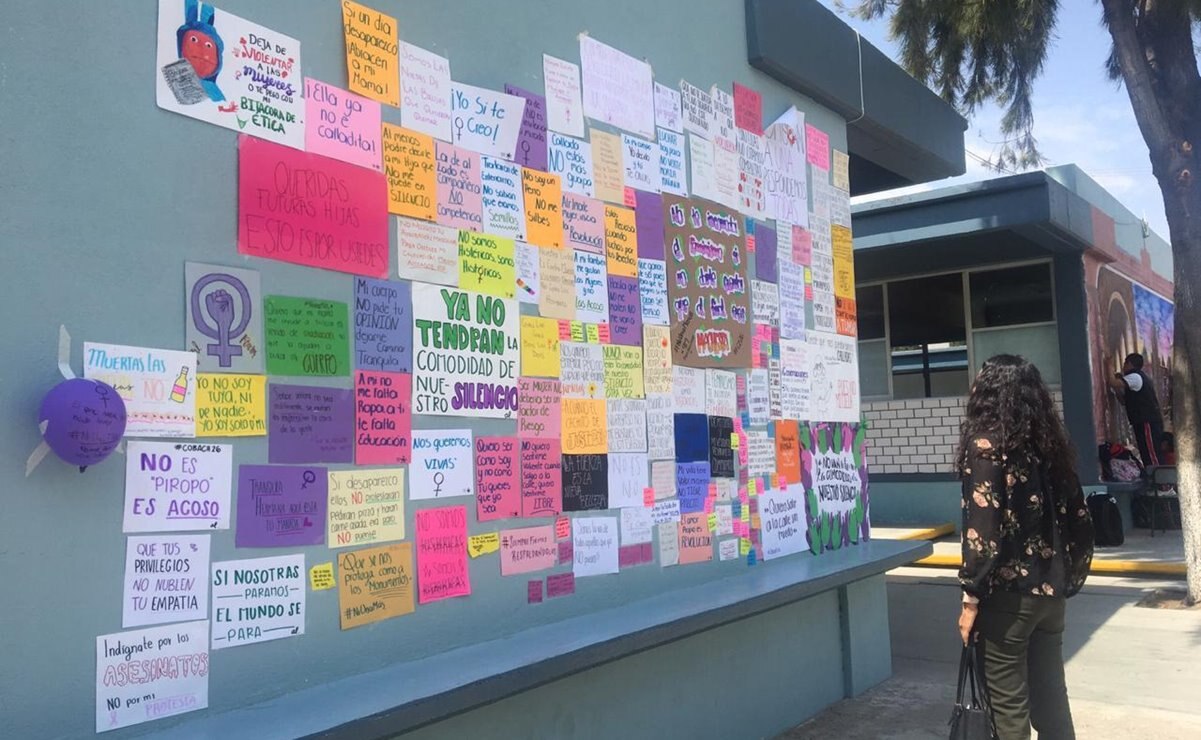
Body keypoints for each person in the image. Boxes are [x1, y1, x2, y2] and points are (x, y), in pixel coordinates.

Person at [956, 355, 1095, 740]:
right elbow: (1080, 518)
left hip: (1007, 599)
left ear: (988, 391)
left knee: (1008, 712)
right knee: (1052, 706)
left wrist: (970, 598)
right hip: (1051, 597)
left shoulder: (986, 445)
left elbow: (982, 532)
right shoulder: (1051, 446)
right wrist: (1067, 575)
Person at [1105, 352, 1165, 467]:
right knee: (1145, 452)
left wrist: (1109, 366)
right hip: (1141, 422)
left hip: (1147, 422)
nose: (1123, 367)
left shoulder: (1135, 376)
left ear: (1129, 364)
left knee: (1152, 453)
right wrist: (1117, 388)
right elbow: (1123, 401)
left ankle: (1159, 476)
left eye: (1124, 364)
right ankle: (1152, 474)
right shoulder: (1135, 378)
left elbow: (1113, 383)